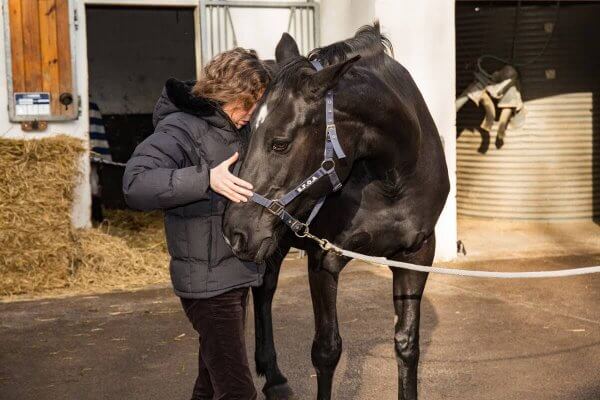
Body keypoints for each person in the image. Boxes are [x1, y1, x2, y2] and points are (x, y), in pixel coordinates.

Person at [122, 48, 271, 400]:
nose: (250, 115)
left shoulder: (237, 129)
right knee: (237, 391)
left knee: (210, 382)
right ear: (225, 93)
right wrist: (206, 179)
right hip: (207, 284)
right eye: (246, 104)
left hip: (236, 272)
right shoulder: (180, 127)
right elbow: (135, 183)